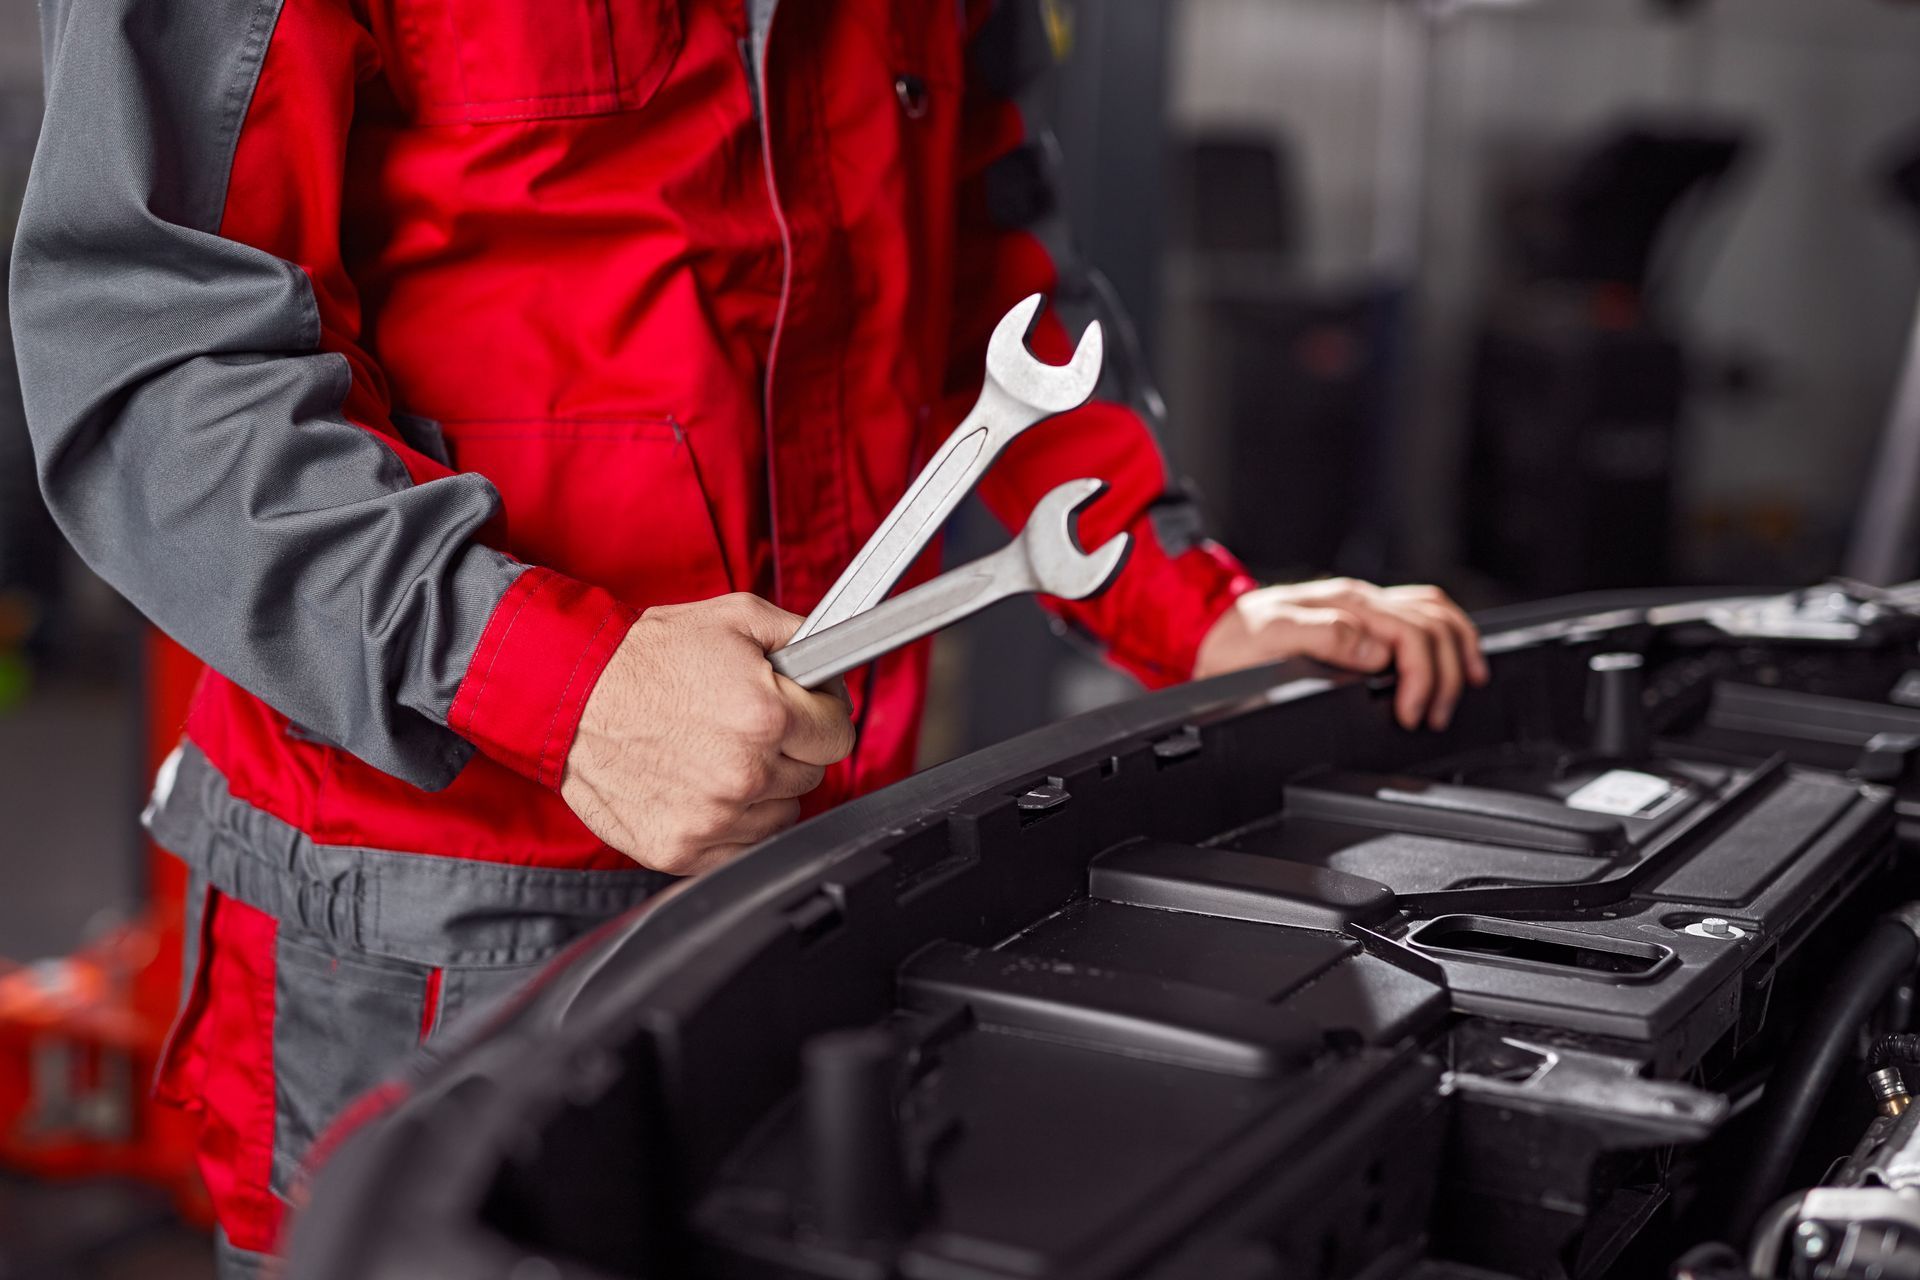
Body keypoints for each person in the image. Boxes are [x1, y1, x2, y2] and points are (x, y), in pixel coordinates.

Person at [8, 1, 1486, 1272]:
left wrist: (1191, 603)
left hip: (832, 867)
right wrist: (552, 677)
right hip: (425, 925)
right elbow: (157, 357)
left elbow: (990, 264)